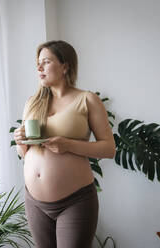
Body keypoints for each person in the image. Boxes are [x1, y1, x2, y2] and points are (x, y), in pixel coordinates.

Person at [13, 40, 116, 248]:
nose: (39, 67)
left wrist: (68, 145)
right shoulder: (32, 102)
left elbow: (109, 149)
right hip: (35, 202)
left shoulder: (87, 100)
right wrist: (20, 141)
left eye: (47, 61)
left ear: (65, 66)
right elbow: (25, 153)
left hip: (75, 201)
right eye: (38, 63)